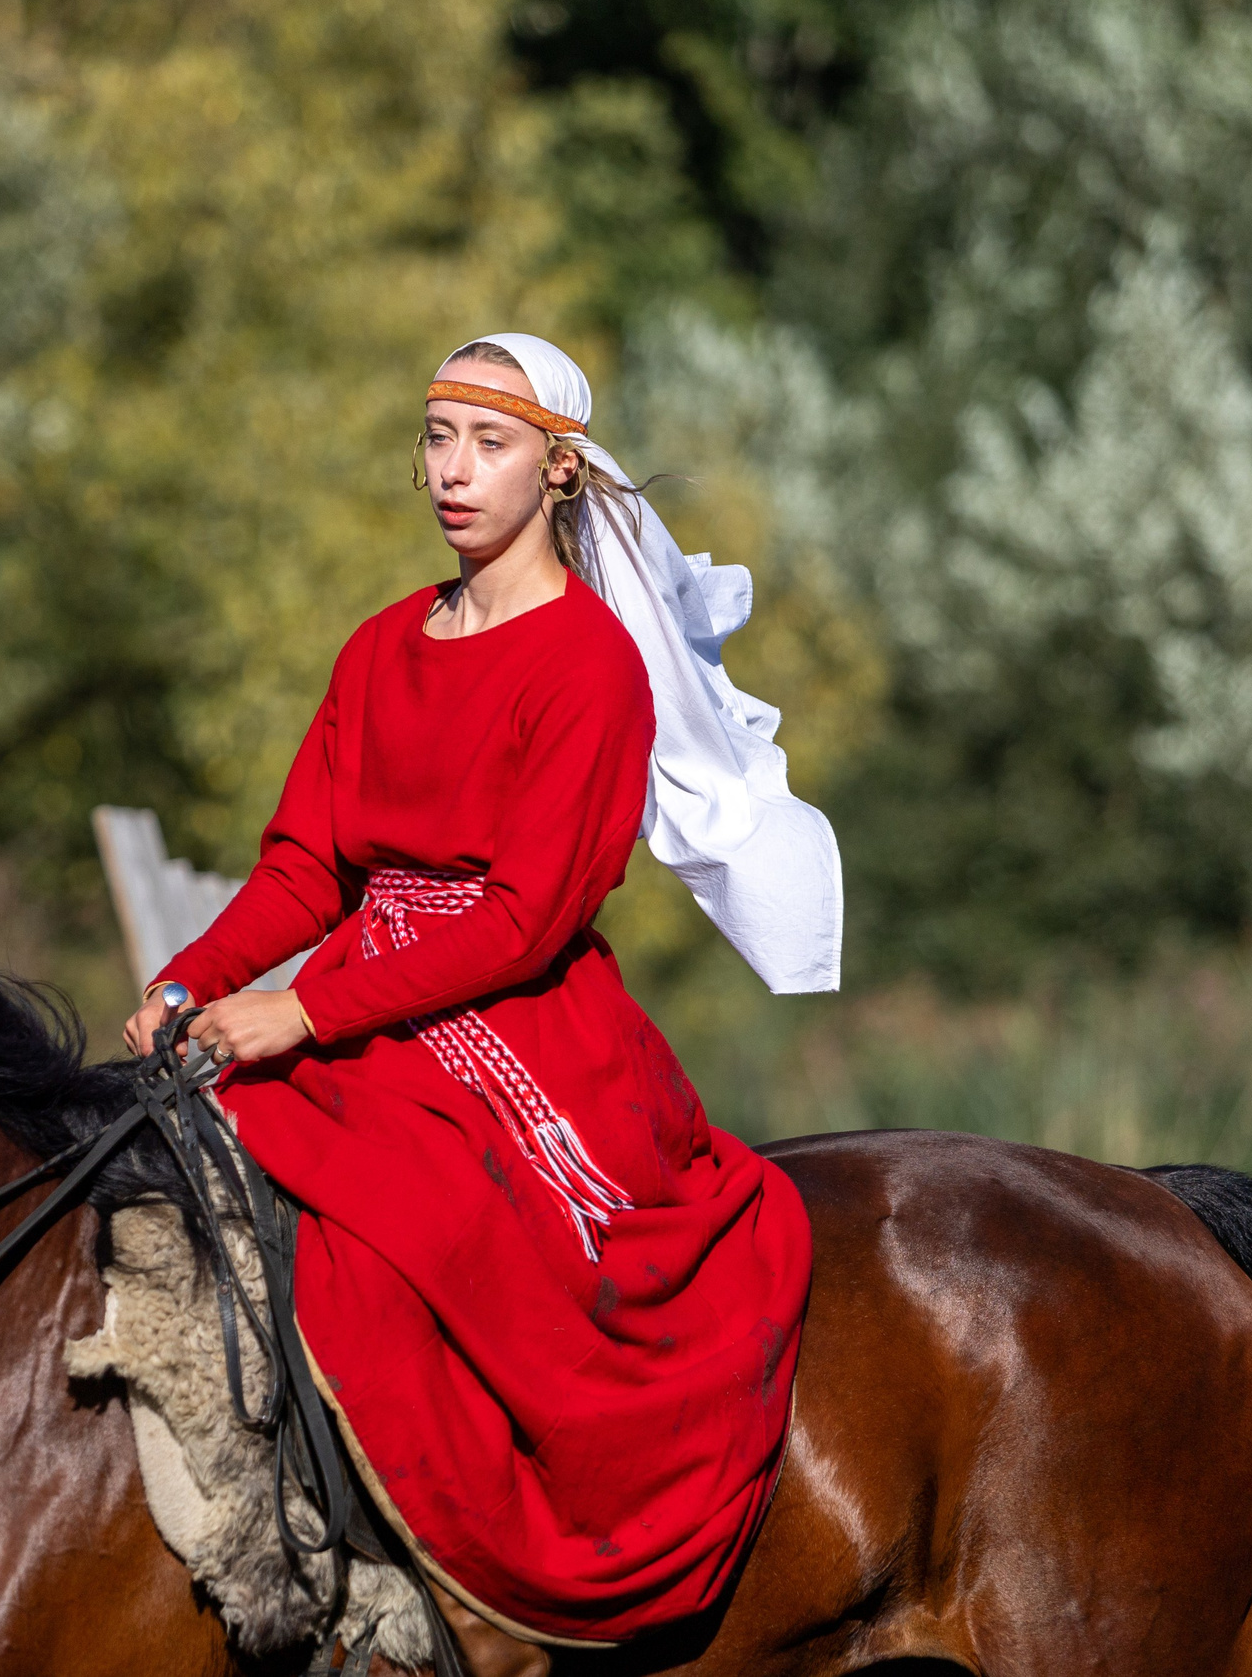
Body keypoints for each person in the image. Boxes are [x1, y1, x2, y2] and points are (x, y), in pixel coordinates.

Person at [122, 333, 837, 1657]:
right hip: (370, 993)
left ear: (556, 468)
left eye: (489, 443)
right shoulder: (379, 646)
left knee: (418, 1221)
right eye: (439, 439)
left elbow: (524, 921)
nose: (453, 471)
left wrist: (300, 1015)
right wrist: (193, 977)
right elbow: (305, 865)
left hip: (520, 1030)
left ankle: (452, 1600)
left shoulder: (590, 666)